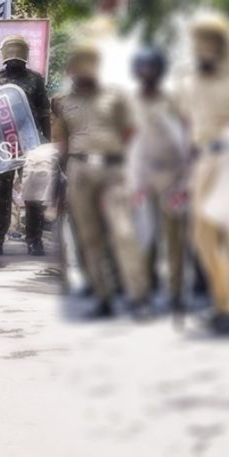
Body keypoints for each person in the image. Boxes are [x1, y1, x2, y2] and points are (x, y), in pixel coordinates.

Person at [52, 42, 148, 317]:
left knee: (123, 231)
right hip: (79, 170)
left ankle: (137, 296)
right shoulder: (62, 101)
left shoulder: (115, 96)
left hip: (113, 169)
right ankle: (103, 296)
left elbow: (130, 131)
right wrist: (61, 180)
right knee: (89, 236)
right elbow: (62, 141)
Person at [177, 13, 229, 333]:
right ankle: (222, 302)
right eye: (199, 42)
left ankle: (225, 309)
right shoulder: (186, 82)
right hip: (201, 163)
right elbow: (185, 126)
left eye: (210, 42)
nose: (204, 48)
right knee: (202, 238)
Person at [129, 46, 187, 315]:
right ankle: (145, 291)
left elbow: (185, 138)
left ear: (159, 71)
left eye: (151, 68)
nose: (146, 73)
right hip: (143, 174)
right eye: (142, 68)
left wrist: (184, 181)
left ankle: (175, 293)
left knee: (173, 237)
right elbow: (129, 143)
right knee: (144, 237)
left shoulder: (172, 101)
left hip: (171, 175)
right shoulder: (132, 102)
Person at [0, 34, 52, 256]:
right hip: (3, 142)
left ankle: (34, 239)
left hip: (30, 143)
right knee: (0, 191)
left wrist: (46, 143)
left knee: (33, 192)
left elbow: (44, 114)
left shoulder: (35, 80)